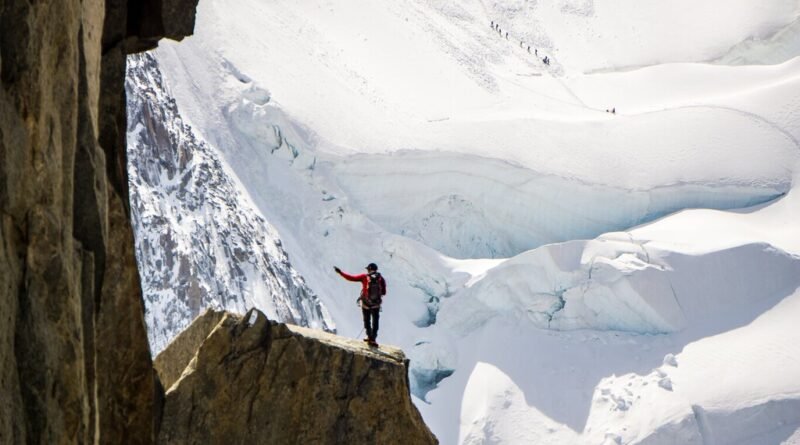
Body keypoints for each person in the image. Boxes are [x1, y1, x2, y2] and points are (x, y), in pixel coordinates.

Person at [334, 263, 387, 346]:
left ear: (369, 269)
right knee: (375, 322)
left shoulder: (364, 277)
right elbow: (384, 292)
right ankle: (373, 339)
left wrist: (340, 272)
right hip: (376, 304)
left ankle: (369, 336)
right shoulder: (381, 279)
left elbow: (351, 278)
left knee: (367, 320)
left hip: (366, 303)